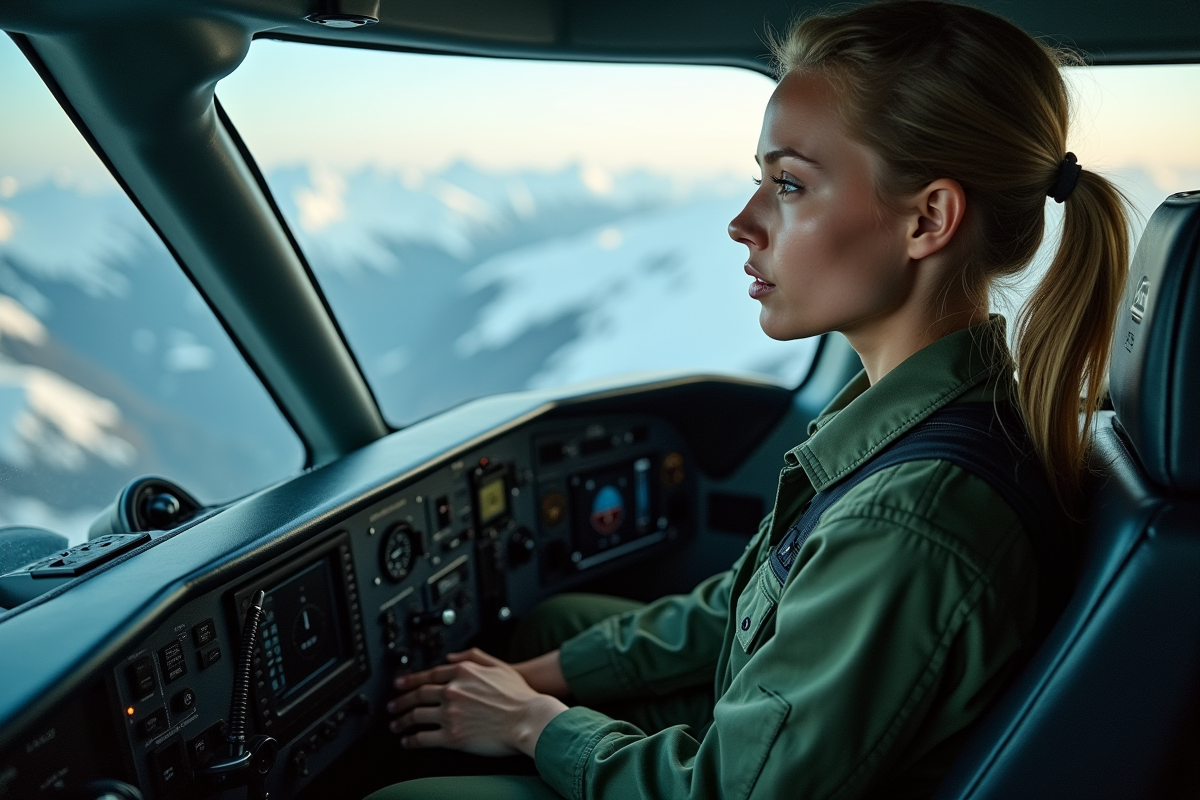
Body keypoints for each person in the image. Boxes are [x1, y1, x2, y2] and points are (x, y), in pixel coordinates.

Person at [367, 2, 1130, 797]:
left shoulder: (909, 517)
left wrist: (532, 723)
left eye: (789, 184)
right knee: (550, 629)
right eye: (760, 181)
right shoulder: (917, 415)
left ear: (928, 219)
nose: (742, 223)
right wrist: (542, 677)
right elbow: (749, 602)